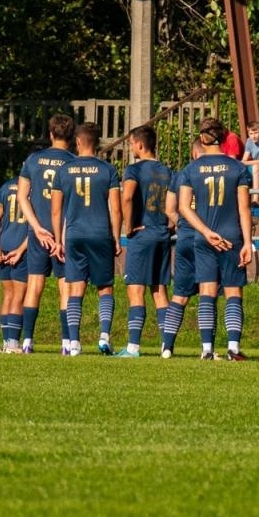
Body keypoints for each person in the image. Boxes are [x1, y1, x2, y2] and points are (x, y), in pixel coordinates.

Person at [178, 117, 254, 360]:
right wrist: (248, 242)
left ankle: (207, 349)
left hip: (204, 237)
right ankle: (233, 347)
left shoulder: (191, 169)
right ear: (223, 136)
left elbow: (183, 207)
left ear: (202, 137)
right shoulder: (238, 168)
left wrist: (205, 231)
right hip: (232, 235)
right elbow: (244, 209)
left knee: (206, 292)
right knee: (233, 292)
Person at [52, 121, 122, 356]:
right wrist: (116, 238)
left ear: (78, 142)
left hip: (74, 235)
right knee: (105, 288)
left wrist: (58, 240)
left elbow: (56, 210)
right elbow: (116, 208)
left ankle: (74, 342)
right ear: (97, 143)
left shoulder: (64, 170)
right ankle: (104, 336)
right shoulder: (108, 170)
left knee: (75, 288)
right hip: (100, 233)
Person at [16, 113, 75, 353]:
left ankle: (27, 341)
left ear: (50, 134)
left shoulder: (33, 160)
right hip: (63, 233)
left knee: (34, 285)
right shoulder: (73, 162)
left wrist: (36, 228)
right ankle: (66, 342)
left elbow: (22, 196)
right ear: (71, 137)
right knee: (65, 287)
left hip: (38, 232)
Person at [118, 123, 171, 358]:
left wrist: (128, 227)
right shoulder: (167, 171)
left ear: (140, 144)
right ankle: (166, 346)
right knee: (159, 290)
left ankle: (133, 347)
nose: (131, 148)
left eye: (131, 144)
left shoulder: (134, 170)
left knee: (136, 289)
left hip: (142, 234)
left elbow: (127, 197)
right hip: (162, 233)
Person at [158, 139, 203, 359]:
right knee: (208, 293)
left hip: (185, 237)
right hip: (207, 237)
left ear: (194, 153)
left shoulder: (182, 174)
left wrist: (183, 224)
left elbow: (169, 209)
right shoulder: (220, 170)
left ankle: (167, 346)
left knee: (179, 295)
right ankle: (208, 349)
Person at [0, 173, 30, 352]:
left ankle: (7, 341)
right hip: (20, 246)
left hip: (4, 245)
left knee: (7, 294)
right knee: (18, 296)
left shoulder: (5, 186)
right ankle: (13, 343)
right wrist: (22, 248)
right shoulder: (33, 188)